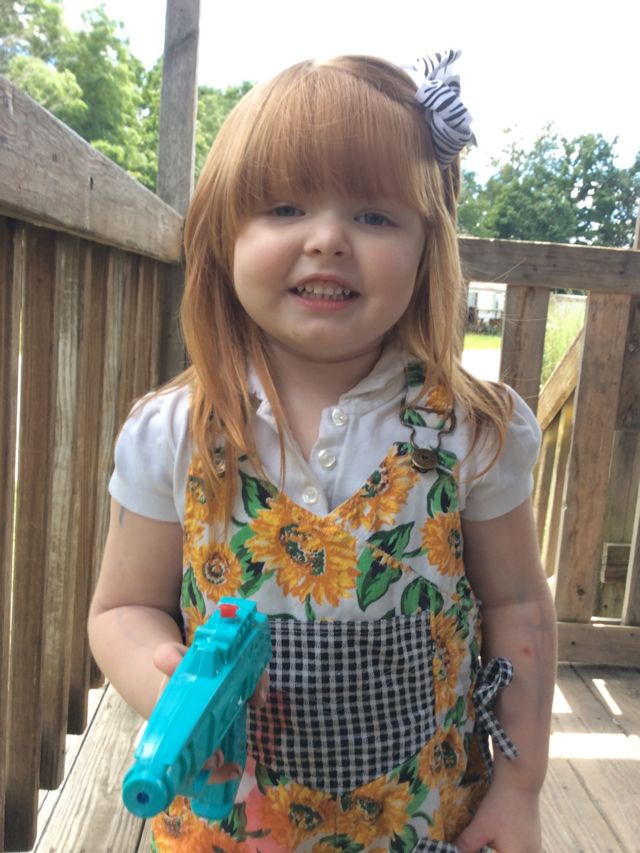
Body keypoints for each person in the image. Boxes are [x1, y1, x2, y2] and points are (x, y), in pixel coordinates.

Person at [88, 50, 557, 853]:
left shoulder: (473, 431)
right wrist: (156, 676)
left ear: (428, 247)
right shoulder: (174, 433)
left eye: (374, 216)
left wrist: (519, 790)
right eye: (284, 208)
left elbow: (518, 606)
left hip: (424, 825)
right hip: (227, 831)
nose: (329, 239)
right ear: (222, 236)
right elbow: (120, 608)